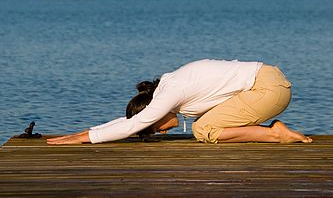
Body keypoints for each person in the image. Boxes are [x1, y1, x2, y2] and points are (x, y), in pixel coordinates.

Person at [47, 59, 313, 145]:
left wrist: (85, 139)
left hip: (267, 89)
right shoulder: (169, 88)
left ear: (153, 110)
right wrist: (85, 131)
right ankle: (275, 129)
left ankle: (276, 134)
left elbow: (137, 122)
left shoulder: (169, 93)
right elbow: (134, 122)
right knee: (204, 122)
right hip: (270, 83)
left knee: (203, 129)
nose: (162, 131)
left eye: (156, 127)